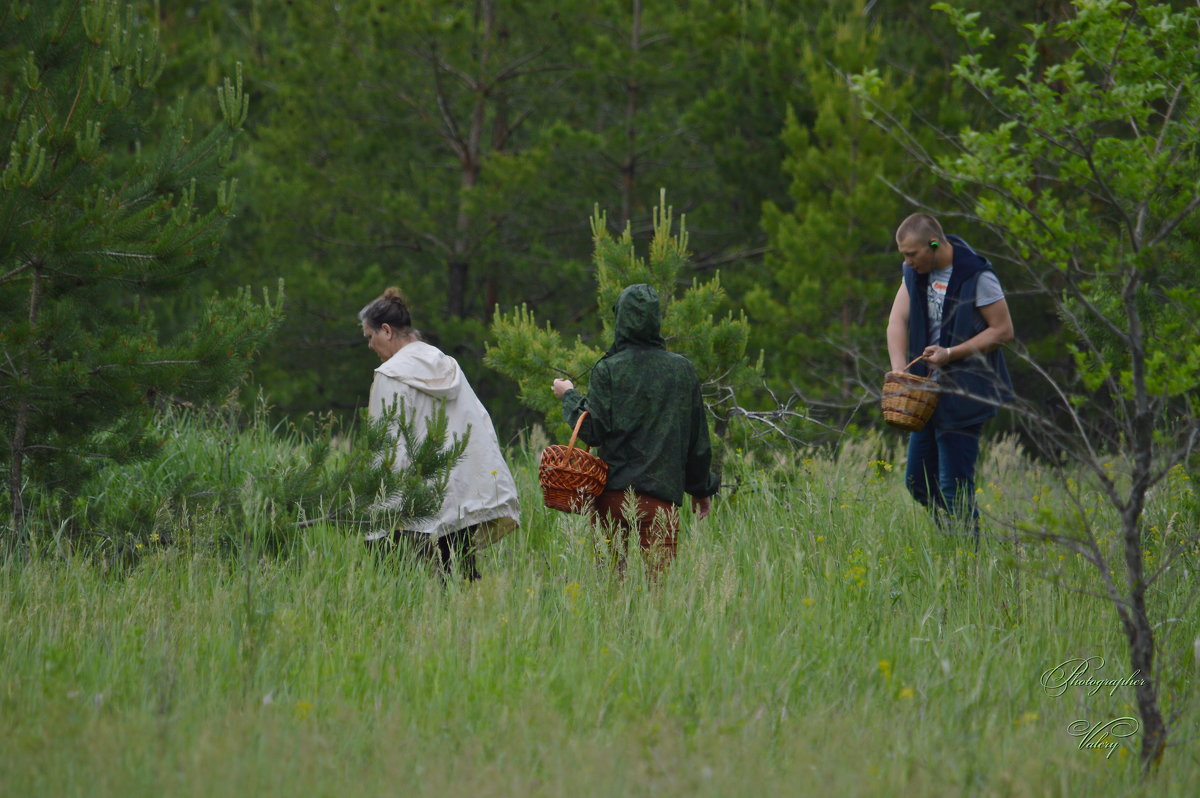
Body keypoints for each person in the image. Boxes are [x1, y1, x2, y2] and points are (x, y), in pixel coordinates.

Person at [551, 283, 719, 575]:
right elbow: (697, 441)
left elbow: (592, 432)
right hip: (660, 502)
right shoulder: (682, 370)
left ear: (620, 319)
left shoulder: (609, 369)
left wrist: (569, 396)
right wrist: (701, 489)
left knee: (611, 594)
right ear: (656, 319)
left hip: (611, 500)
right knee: (658, 596)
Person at [360, 288, 519, 581]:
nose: (370, 345)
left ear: (386, 331)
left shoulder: (390, 375)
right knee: (460, 580)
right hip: (460, 495)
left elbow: (387, 445)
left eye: (370, 337)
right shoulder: (448, 366)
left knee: (408, 590)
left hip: (415, 505)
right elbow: (481, 426)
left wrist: (381, 509)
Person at [887, 213, 1015, 541]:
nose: (907, 261)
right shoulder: (913, 273)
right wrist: (900, 370)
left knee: (954, 487)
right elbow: (896, 322)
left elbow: (1003, 331)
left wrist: (950, 354)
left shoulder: (977, 275)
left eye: (911, 254)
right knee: (917, 483)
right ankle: (955, 540)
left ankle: (966, 558)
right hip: (924, 396)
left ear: (934, 244)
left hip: (966, 393)